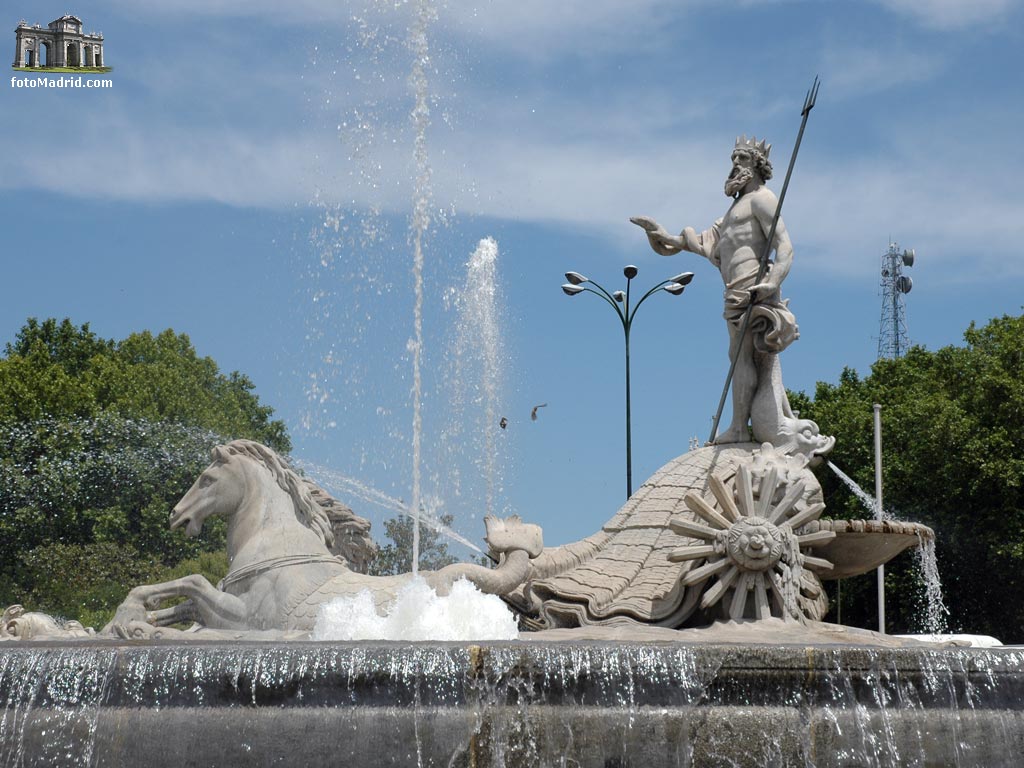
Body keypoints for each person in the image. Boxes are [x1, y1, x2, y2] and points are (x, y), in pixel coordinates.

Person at [632, 136, 809, 447]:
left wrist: (772, 282)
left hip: (755, 287)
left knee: (751, 358)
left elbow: (785, 247)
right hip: (734, 293)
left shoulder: (762, 199)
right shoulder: (729, 214)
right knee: (739, 357)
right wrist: (661, 235)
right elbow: (696, 243)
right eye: (733, 159)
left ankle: (755, 426)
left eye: (741, 158)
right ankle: (741, 427)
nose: (734, 165)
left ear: (756, 164)